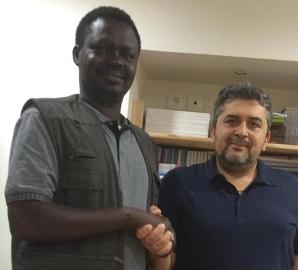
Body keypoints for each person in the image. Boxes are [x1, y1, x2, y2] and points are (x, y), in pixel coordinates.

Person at [5, 6, 173, 270]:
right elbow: (26, 218)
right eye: (103, 48)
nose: (117, 60)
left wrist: (160, 239)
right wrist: (129, 215)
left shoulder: (144, 143)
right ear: (77, 54)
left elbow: (149, 224)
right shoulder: (45, 119)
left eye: (127, 54)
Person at [159, 82, 298, 270]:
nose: (242, 131)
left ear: (266, 138)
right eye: (232, 121)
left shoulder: (291, 187)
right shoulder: (178, 182)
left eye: (254, 124)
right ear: (213, 130)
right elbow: (164, 263)